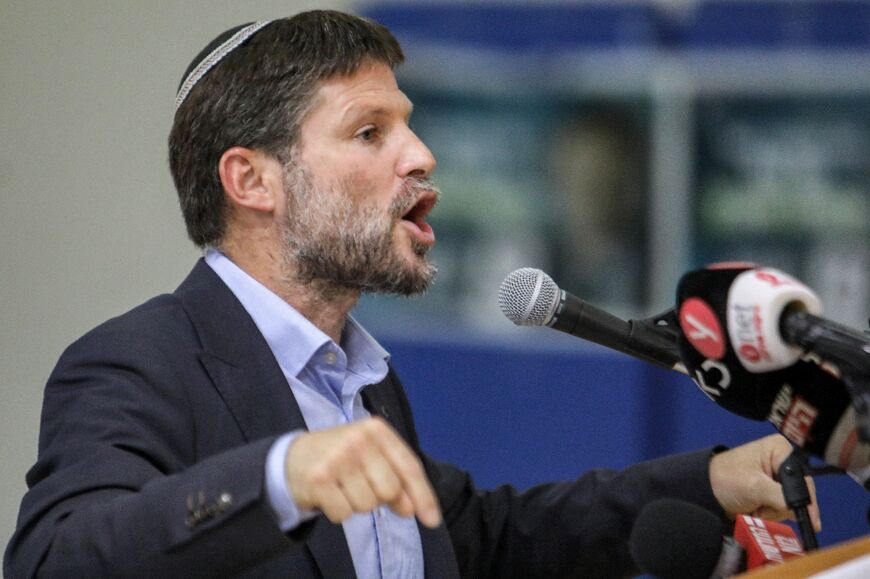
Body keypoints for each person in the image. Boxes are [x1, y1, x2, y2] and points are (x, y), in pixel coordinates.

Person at [4, 10, 819, 579]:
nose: (422, 155)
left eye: (410, 123)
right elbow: (58, 558)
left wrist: (712, 481)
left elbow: (485, 542)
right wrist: (280, 475)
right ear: (251, 179)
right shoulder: (137, 361)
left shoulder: (363, 381)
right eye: (370, 132)